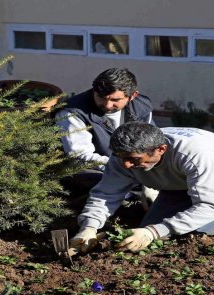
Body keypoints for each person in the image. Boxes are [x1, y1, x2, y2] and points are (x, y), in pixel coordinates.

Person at [69, 122, 214, 255]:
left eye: (133, 159)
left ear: (161, 149)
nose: (126, 165)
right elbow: (105, 195)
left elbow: (207, 205)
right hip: (179, 182)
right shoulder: (123, 159)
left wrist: (153, 232)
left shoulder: (192, 153)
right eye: (121, 158)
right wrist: (88, 227)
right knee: (159, 235)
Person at [55, 68, 157, 205]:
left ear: (132, 96)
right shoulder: (73, 112)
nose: (108, 105)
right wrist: (123, 167)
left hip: (134, 167)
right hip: (91, 170)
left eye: (115, 100)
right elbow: (79, 157)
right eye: (101, 97)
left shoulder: (141, 107)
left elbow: (153, 146)